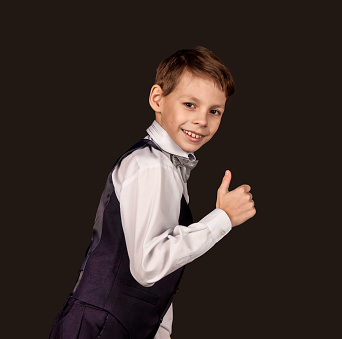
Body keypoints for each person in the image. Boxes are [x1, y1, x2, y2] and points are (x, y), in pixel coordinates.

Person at [49, 46, 256, 339]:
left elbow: (155, 280)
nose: (202, 120)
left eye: (214, 111)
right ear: (157, 99)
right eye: (190, 104)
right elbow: (148, 265)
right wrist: (222, 218)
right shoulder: (151, 167)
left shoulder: (165, 165)